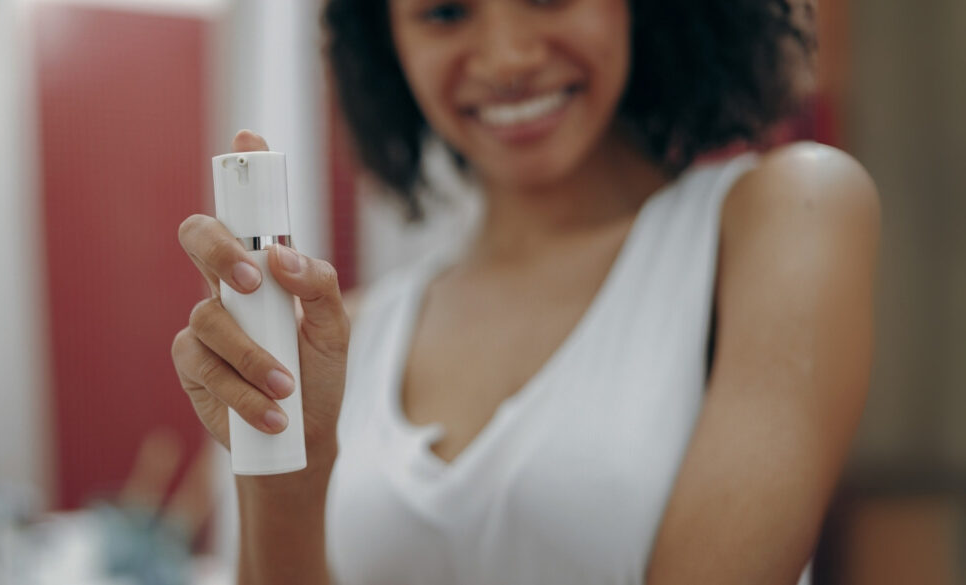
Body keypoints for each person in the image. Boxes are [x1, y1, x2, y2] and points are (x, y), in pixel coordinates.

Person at [172, 0, 880, 583]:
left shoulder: (786, 215)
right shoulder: (348, 334)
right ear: (386, 41)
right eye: (445, 13)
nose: (508, 57)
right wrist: (285, 466)